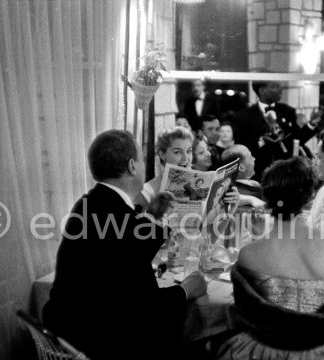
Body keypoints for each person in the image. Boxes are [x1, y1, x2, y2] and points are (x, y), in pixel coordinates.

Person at [42, 129, 207, 359]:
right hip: (105, 342)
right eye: (141, 160)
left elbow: (126, 248)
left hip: (67, 330)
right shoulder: (121, 220)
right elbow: (145, 310)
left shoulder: (88, 203)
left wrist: (152, 216)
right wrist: (187, 289)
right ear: (132, 166)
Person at [217, 157, 324, 359]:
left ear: (267, 198)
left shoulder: (249, 254)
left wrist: (259, 239)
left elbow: (244, 314)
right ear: (310, 196)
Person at [233, 80, 320, 181]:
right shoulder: (243, 116)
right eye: (275, 86)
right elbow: (240, 145)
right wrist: (261, 141)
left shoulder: (287, 111)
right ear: (262, 90)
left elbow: (297, 139)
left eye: (279, 86)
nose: (280, 90)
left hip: (286, 174)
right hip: (258, 175)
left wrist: (311, 124)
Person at [135, 126, 194, 209]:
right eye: (177, 152)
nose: (185, 158)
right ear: (162, 154)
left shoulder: (202, 184)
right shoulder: (147, 192)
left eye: (189, 151)